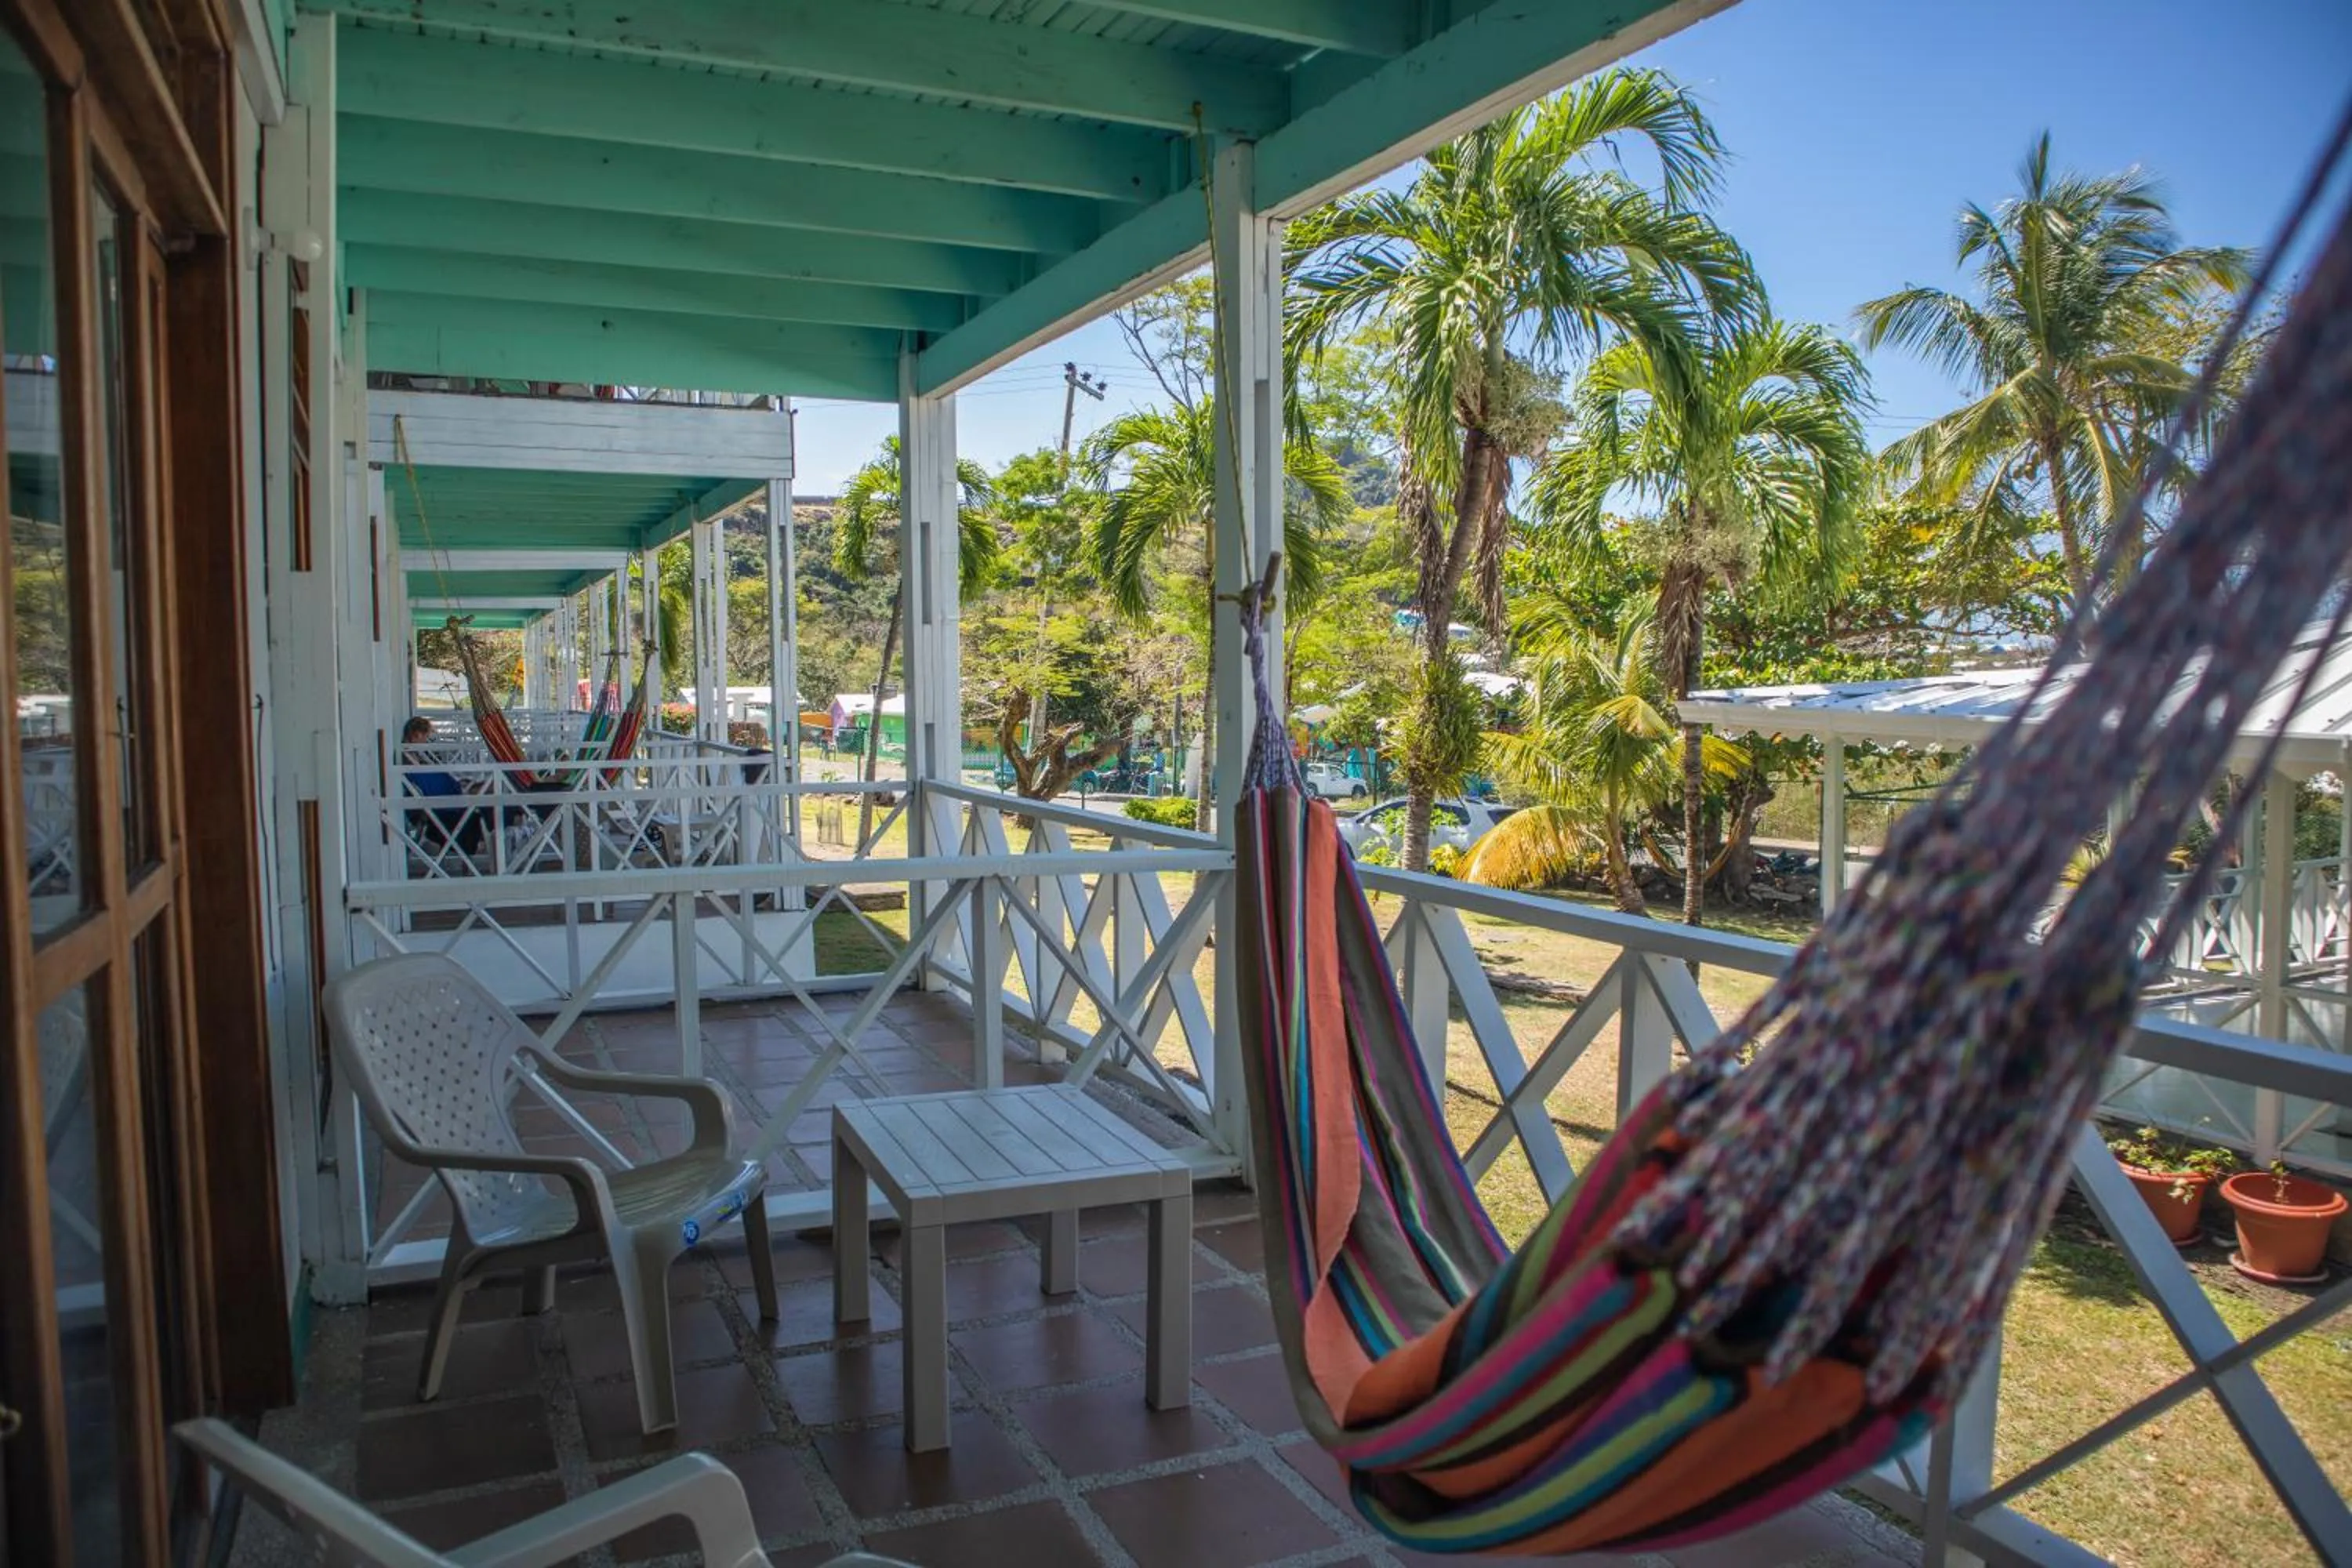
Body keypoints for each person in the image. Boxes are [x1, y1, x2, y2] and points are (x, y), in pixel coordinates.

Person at [399, 716, 485, 856]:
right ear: (417, 734)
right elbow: (428, 785)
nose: (426, 741)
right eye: (425, 736)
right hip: (444, 804)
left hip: (445, 798)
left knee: (481, 794)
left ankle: (472, 857)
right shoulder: (410, 760)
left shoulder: (412, 757)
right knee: (480, 804)